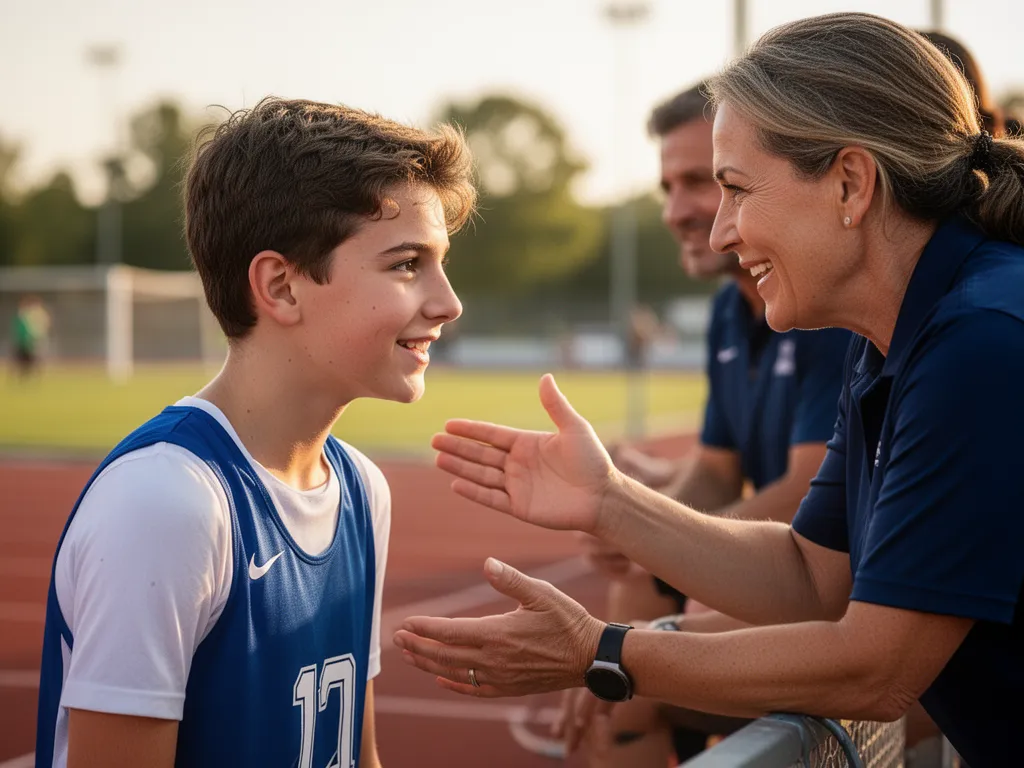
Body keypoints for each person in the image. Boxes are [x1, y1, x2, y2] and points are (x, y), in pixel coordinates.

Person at [394, 13, 1024, 768]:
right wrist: (613, 503)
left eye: (735, 189)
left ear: (851, 184)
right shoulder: (900, 332)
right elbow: (812, 575)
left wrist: (605, 651)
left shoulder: (981, 340)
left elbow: (877, 667)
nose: (721, 232)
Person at [36, 98, 475, 768]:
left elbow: (357, 755)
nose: (448, 302)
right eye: (407, 263)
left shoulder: (361, 490)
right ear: (281, 287)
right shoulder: (167, 505)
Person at [569, 83, 851, 767]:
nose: (679, 212)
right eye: (670, 186)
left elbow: (808, 494)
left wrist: (665, 540)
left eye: (711, 182)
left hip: (856, 596)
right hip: (823, 580)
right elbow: (715, 468)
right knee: (634, 589)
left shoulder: (823, 299)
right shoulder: (734, 308)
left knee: (620, 678)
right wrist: (639, 517)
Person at [9, 295, 50, 379]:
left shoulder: (37, 313)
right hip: (28, 340)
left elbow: (44, 325)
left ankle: (32, 374)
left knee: (32, 358)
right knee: (25, 358)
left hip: (33, 339)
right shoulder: (27, 314)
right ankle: (26, 374)